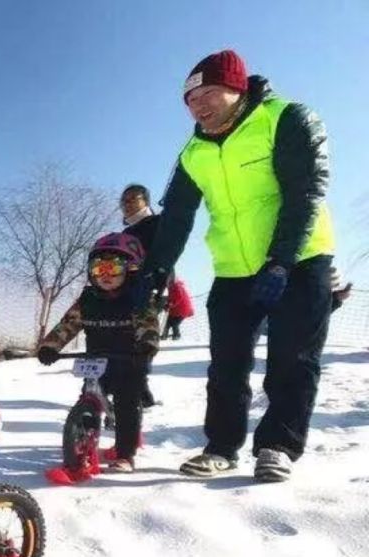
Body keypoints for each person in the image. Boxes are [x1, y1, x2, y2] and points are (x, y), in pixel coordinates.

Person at [138, 49, 336, 483]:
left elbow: (306, 192)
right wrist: (157, 269)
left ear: (237, 88)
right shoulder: (194, 151)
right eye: (190, 101)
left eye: (209, 93)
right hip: (233, 268)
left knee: (292, 358)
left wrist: (281, 261)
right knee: (226, 363)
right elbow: (177, 216)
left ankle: (277, 446)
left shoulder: (286, 118)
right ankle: (222, 446)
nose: (199, 105)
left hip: (299, 260)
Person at [37, 233, 159, 472]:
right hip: (97, 360)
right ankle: (82, 435)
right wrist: (50, 346)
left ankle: (125, 454)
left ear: (131, 270)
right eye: (98, 269)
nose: (105, 276)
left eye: (112, 269)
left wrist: (147, 345)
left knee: (127, 404)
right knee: (89, 394)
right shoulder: (88, 300)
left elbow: (149, 326)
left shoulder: (137, 300)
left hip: (130, 360)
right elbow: (67, 325)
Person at [120, 184, 161, 408]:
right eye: (123, 201)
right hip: (125, 289)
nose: (127, 204)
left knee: (144, 337)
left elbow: (165, 256)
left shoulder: (158, 223)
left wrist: (159, 282)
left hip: (151, 287)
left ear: (146, 200)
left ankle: (140, 386)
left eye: (132, 199)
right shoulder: (125, 234)